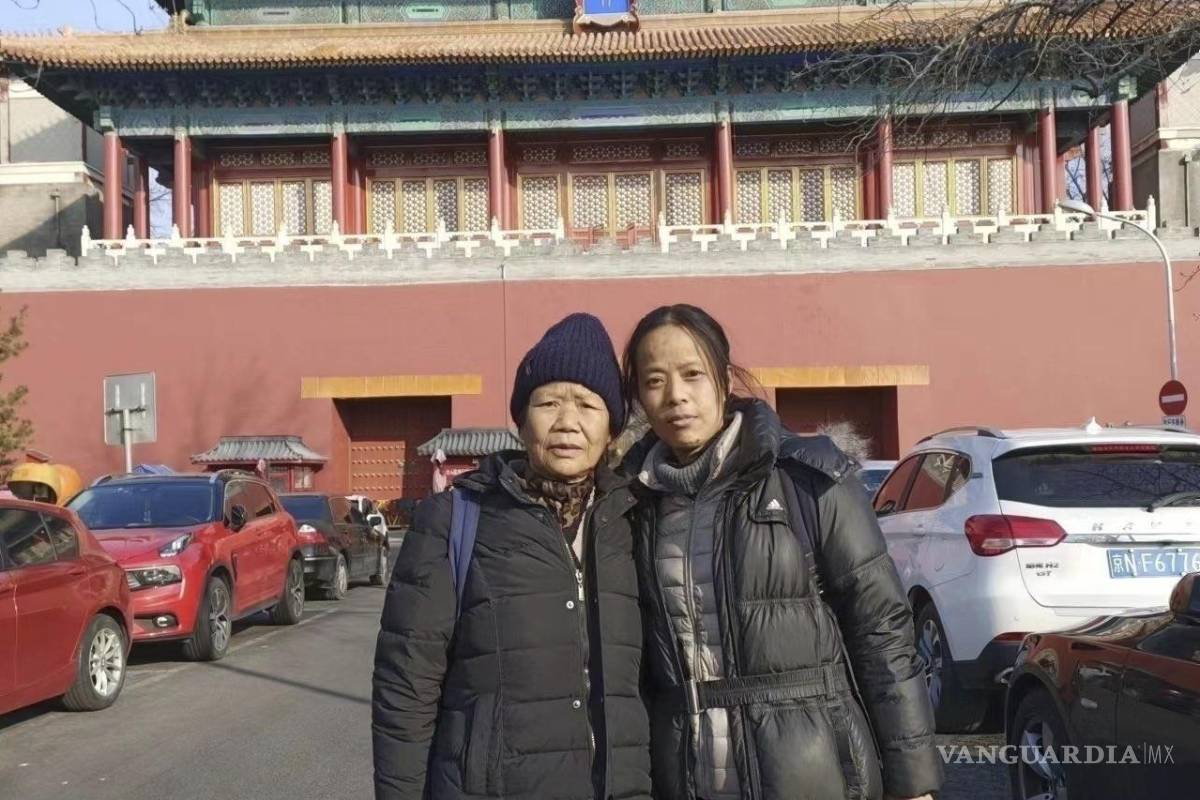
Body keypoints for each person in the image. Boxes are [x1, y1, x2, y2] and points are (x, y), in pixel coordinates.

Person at [621, 304, 941, 800]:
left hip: (815, 772)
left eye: (693, 375)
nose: (676, 396)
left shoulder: (807, 480)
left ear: (724, 379)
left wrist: (914, 779)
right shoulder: (633, 505)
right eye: (655, 380)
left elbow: (881, 629)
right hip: (689, 775)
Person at [372, 313, 651, 800]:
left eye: (588, 404)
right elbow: (405, 690)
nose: (567, 423)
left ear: (612, 428)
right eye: (548, 403)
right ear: (522, 422)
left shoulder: (636, 521)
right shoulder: (454, 520)